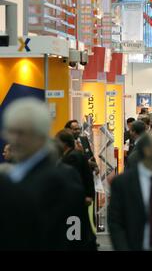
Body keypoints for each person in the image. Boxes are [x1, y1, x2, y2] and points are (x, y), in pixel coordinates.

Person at [3, 98, 87, 250]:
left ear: (41, 135)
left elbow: (75, 235)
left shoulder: (63, 179)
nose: (15, 139)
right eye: (11, 131)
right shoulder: (6, 179)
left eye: (22, 133)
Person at [55, 130, 95, 206]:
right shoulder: (76, 154)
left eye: (57, 142)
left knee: (73, 218)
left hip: (75, 200)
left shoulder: (72, 157)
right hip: (79, 198)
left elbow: (75, 179)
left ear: (65, 143)